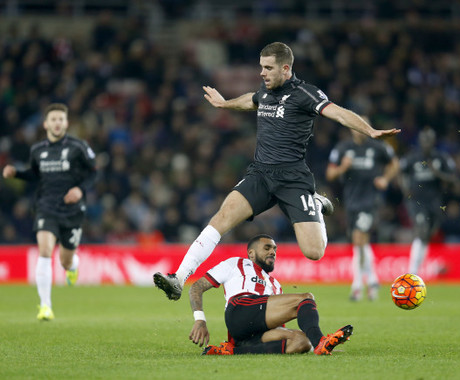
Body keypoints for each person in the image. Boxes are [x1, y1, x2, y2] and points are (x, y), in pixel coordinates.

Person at [153, 42, 400, 300]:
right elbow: (252, 100)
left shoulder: (306, 93)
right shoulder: (266, 90)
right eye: (261, 67)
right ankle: (179, 278)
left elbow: (337, 113)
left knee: (314, 251)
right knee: (222, 217)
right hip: (260, 174)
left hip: (293, 179)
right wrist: (225, 104)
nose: (262, 73)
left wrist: (369, 131)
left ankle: (314, 204)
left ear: (285, 68)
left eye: (268, 68)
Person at [2, 103, 96, 321]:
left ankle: (73, 265)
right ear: (45, 124)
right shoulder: (38, 150)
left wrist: (79, 190)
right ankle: (45, 306)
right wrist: (16, 173)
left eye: (60, 119)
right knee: (44, 250)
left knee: (65, 260)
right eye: (53, 119)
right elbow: (34, 174)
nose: (57, 123)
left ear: (66, 123)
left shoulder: (78, 147)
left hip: (72, 210)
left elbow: (93, 172)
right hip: (46, 206)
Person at [188, 234, 353, 355]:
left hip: (251, 333)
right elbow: (196, 287)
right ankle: (321, 341)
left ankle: (233, 351)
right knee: (305, 298)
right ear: (251, 253)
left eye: (274, 249)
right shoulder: (236, 263)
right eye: (267, 248)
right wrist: (200, 319)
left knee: (302, 342)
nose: (273, 252)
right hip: (240, 310)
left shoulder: (276, 285)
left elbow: (276, 321)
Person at [326, 123, 399, 301]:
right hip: (351, 202)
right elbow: (330, 174)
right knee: (360, 242)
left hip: (370, 201)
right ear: (352, 128)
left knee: (359, 238)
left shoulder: (378, 147)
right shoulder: (343, 148)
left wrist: (385, 179)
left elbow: (394, 163)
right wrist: (342, 168)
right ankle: (373, 280)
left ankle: (357, 285)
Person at [399, 127, 456, 275]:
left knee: (427, 235)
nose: (426, 143)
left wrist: (437, 173)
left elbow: (453, 179)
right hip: (416, 202)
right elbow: (401, 173)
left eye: (429, 140)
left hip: (434, 202)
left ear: (433, 142)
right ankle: (413, 273)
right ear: (420, 141)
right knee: (422, 229)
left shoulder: (441, 158)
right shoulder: (412, 157)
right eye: (424, 140)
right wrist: (406, 190)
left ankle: (418, 271)